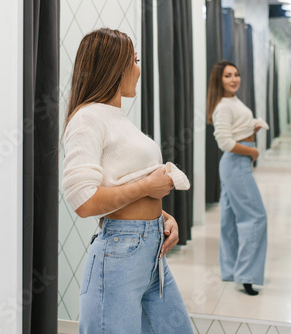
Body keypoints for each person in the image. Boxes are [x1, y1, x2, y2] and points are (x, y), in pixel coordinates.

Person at [62, 28, 194, 334]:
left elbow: (121, 181)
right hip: (121, 251)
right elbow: (83, 201)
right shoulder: (87, 118)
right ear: (113, 67)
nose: (138, 69)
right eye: (133, 60)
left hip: (150, 249)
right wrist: (147, 188)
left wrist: (161, 216)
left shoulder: (118, 118)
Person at [206, 61, 268, 296]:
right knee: (256, 216)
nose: (234, 79)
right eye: (228, 75)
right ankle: (247, 275)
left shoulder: (233, 102)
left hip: (235, 165)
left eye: (236, 74)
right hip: (236, 165)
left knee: (230, 219)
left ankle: (231, 270)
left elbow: (237, 130)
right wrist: (252, 151)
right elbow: (225, 143)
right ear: (219, 80)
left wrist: (254, 127)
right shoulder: (223, 106)